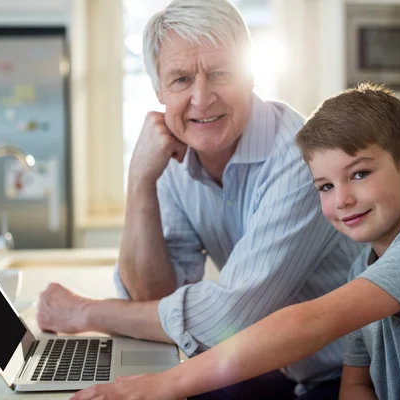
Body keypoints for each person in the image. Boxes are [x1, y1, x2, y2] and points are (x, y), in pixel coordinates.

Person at [70, 82, 400, 400]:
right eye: (324, 186)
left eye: (360, 173)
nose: (342, 199)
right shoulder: (362, 266)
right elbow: (357, 382)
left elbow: (310, 325)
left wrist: (163, 385)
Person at [37, 0, 364, 398]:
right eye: (180, 79)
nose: (201, 97)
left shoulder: (299, 156)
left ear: (250, 75)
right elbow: (153, 298)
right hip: (279, 364)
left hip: (350, 375)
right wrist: (140, 179)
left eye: (219, 73)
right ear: (158, 89)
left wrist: (85, 312)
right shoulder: (172, 160)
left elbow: (231, 315)